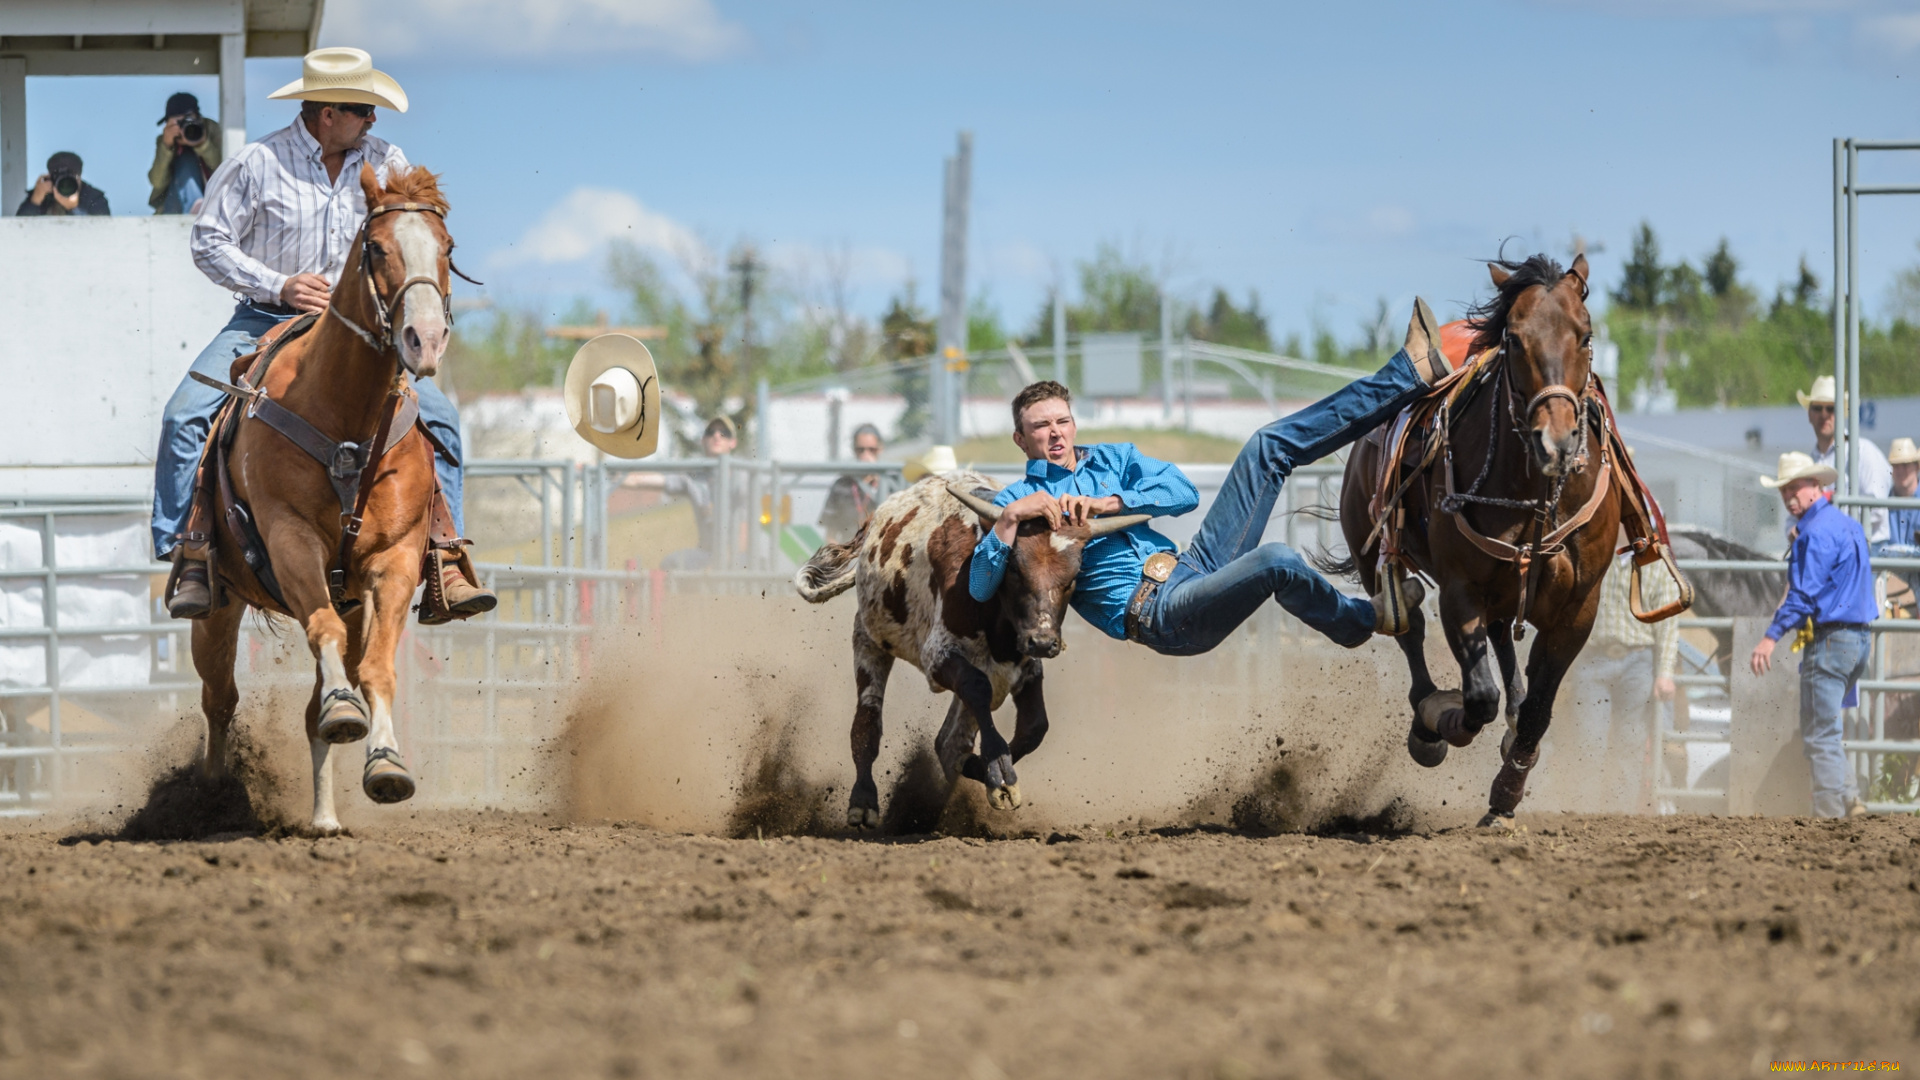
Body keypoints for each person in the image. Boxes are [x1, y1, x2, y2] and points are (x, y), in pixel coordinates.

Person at [155, 46, 493, 620]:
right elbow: (207, 241)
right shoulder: (259, 162)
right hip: (265, 319)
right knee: (184, 414)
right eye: (363, 108)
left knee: (441, 420)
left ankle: (444, 553)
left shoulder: (386, 160)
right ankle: (190, 550)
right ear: (326, 112)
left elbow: (413, 228)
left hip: (363, 334)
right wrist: (279, 285)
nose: (372, 120)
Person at [969, 300, 1455, 654]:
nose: (1055, 434)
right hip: (1159, 614)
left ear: (1074, 423)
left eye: (1062, 422)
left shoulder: (1113, 459)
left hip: (1193, 566)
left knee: (1267, 445)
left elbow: (1181, 494)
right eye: (1040, 427)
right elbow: (980, 587)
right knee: (1276, 560)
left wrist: (1108, 504)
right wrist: (1009, 520)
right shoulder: (1019, 499)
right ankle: (1361, 620)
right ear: (1021, 440)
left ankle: (1407, 376)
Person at [1749, 451, 1875, 819]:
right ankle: (1850, 797)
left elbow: (1803, 595)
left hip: (1831, 641)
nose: (1789, 496)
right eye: (1785, 489)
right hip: (1857, 641)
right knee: (1824, 728)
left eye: (1795, 488)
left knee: (1820, 734)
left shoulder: (1813, 534)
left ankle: (1829, 815)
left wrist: (1770, 636)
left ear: (1815, 487)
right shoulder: (1846, 525)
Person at [1556, 540, 1680, 813]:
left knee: (1631, 743)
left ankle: (1620, 816)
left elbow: (1668, 621)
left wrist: (1665, 673)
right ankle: (1583, 813)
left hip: (1638, 661)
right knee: (1589, 741)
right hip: (1592, 659)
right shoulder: (1590, 552)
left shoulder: (1656, 562)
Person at [1798, 375, 1891, 545]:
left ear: (1842, 413)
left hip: (1868, 549)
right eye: (1818, 408)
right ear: (1809, 414)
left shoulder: (1863, 451)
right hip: (1832, 549)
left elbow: (1877, 510)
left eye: (1831, 409)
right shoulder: (1810, 462)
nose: (1824, 415)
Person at [648, 417, 744, 572]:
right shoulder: (695, 478)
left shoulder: (743, 477)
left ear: (733, 442)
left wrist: (723, 560)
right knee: (671, 564)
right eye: (710, 432)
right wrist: (619, 476)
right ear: (703, 440)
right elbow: (655, 480)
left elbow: (745, 530)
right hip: (707, 555)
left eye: (724, 433)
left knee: (742, 566)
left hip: (739, 555)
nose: (716, 436)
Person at [818, 423, 902, 543]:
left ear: (880, 449)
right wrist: (843, 558)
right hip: (849, 552)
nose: (866, 455)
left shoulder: (893, 484)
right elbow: (830, 535)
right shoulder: (841, 485)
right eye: (860, 450)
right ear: (854, 450)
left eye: (872, 450)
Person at [148, 91, 222, 215]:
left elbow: (224, 168)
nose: (184, 129)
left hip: (214, 200)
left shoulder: (210, 129)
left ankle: (198, 207)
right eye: (178, 123)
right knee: (185, 159)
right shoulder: (165, 140)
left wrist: (202, 145)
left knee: (187, 158)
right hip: (172, 205)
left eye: (188, 121)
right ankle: (197, 208)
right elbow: (157, 181)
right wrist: (167, 147)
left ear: (198, 117)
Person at [1878, 437, 1920, 610]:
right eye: (1896, 466)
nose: (1901, 470)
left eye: (1906, 465)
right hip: (1892, 583)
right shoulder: (1881, 505)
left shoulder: (1880, 504)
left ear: (1917, 467)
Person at [15, 152, 111, 217]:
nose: (65, 182)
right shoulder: (43, 194)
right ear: (50, 177)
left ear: (80, 177)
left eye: (71, 175)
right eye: (58, 176)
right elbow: (19, 229)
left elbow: (101, 231)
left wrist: (74, 209)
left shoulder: (93, 198)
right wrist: (35, 201)